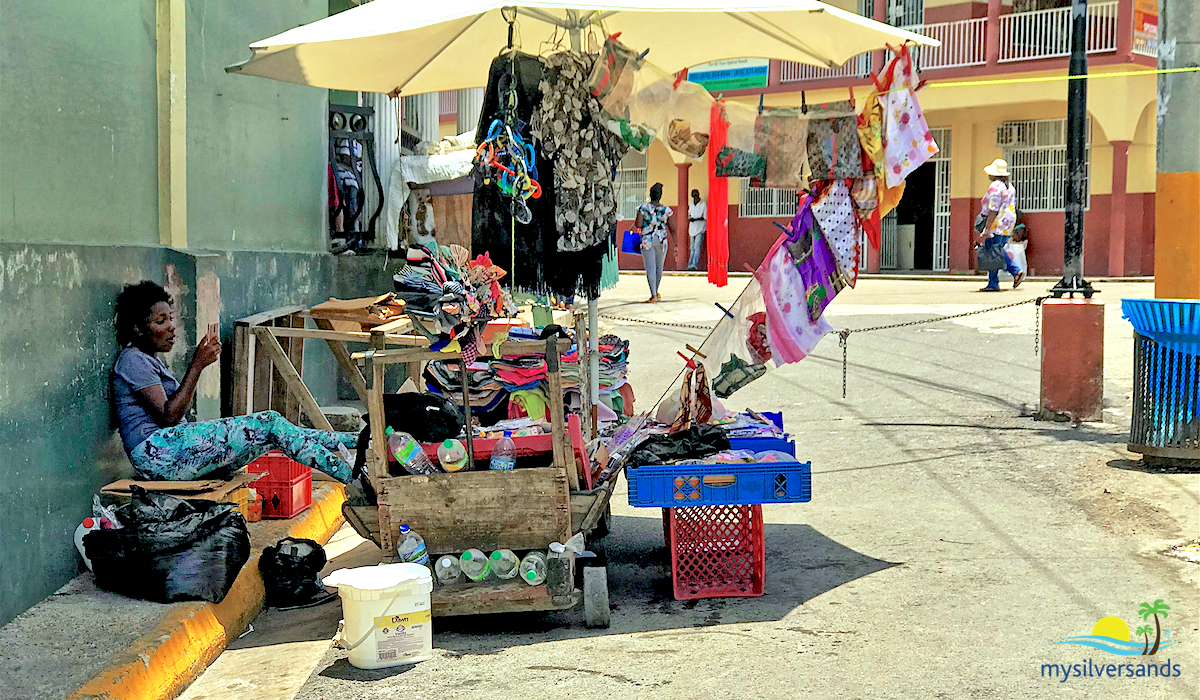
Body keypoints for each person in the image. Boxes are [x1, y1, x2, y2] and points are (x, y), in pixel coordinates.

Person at [112, 281, 359, 482]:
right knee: (270, 423)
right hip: (157, 455)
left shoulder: (148, 359)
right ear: (137, 329)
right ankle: (354, 478)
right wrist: (197, 365)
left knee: (276, 433)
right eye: (160, 321)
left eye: (170, 319)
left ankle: (361, 442)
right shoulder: (132, 359)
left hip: (170, 448)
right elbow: (168, 417)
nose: (171, 327)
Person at [977, 159, 1025, 291]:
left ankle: (1015, 271)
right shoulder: (1009, 186)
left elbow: (993, 208)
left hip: (996, 222)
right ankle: (993, 282)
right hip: (1008, 222)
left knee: (994, 250)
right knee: (996, 250)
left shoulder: (995, 187)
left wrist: (987, 227)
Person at [635, 182, 675, 303]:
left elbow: (638, 224)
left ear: (650, 194)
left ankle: (653, 294)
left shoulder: (643, 208)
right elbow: (673, 227)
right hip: (662, 241)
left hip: (648, 240)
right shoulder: (667, 210)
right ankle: (656, 292)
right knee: (659, 268)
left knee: (650, 268)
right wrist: (677, 242)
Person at [687, 189, 707, 271]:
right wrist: (691, 219)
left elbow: (705, 217)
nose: (695, 198)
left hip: (700, 228)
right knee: (692, 248)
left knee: (697, 247)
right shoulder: (691, 204)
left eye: (696, 195)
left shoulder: (703, 204)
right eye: (693, 196)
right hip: (692, 229)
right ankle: (690, 264)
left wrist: (696, 219)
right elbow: (689, 214)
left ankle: (694, 265)